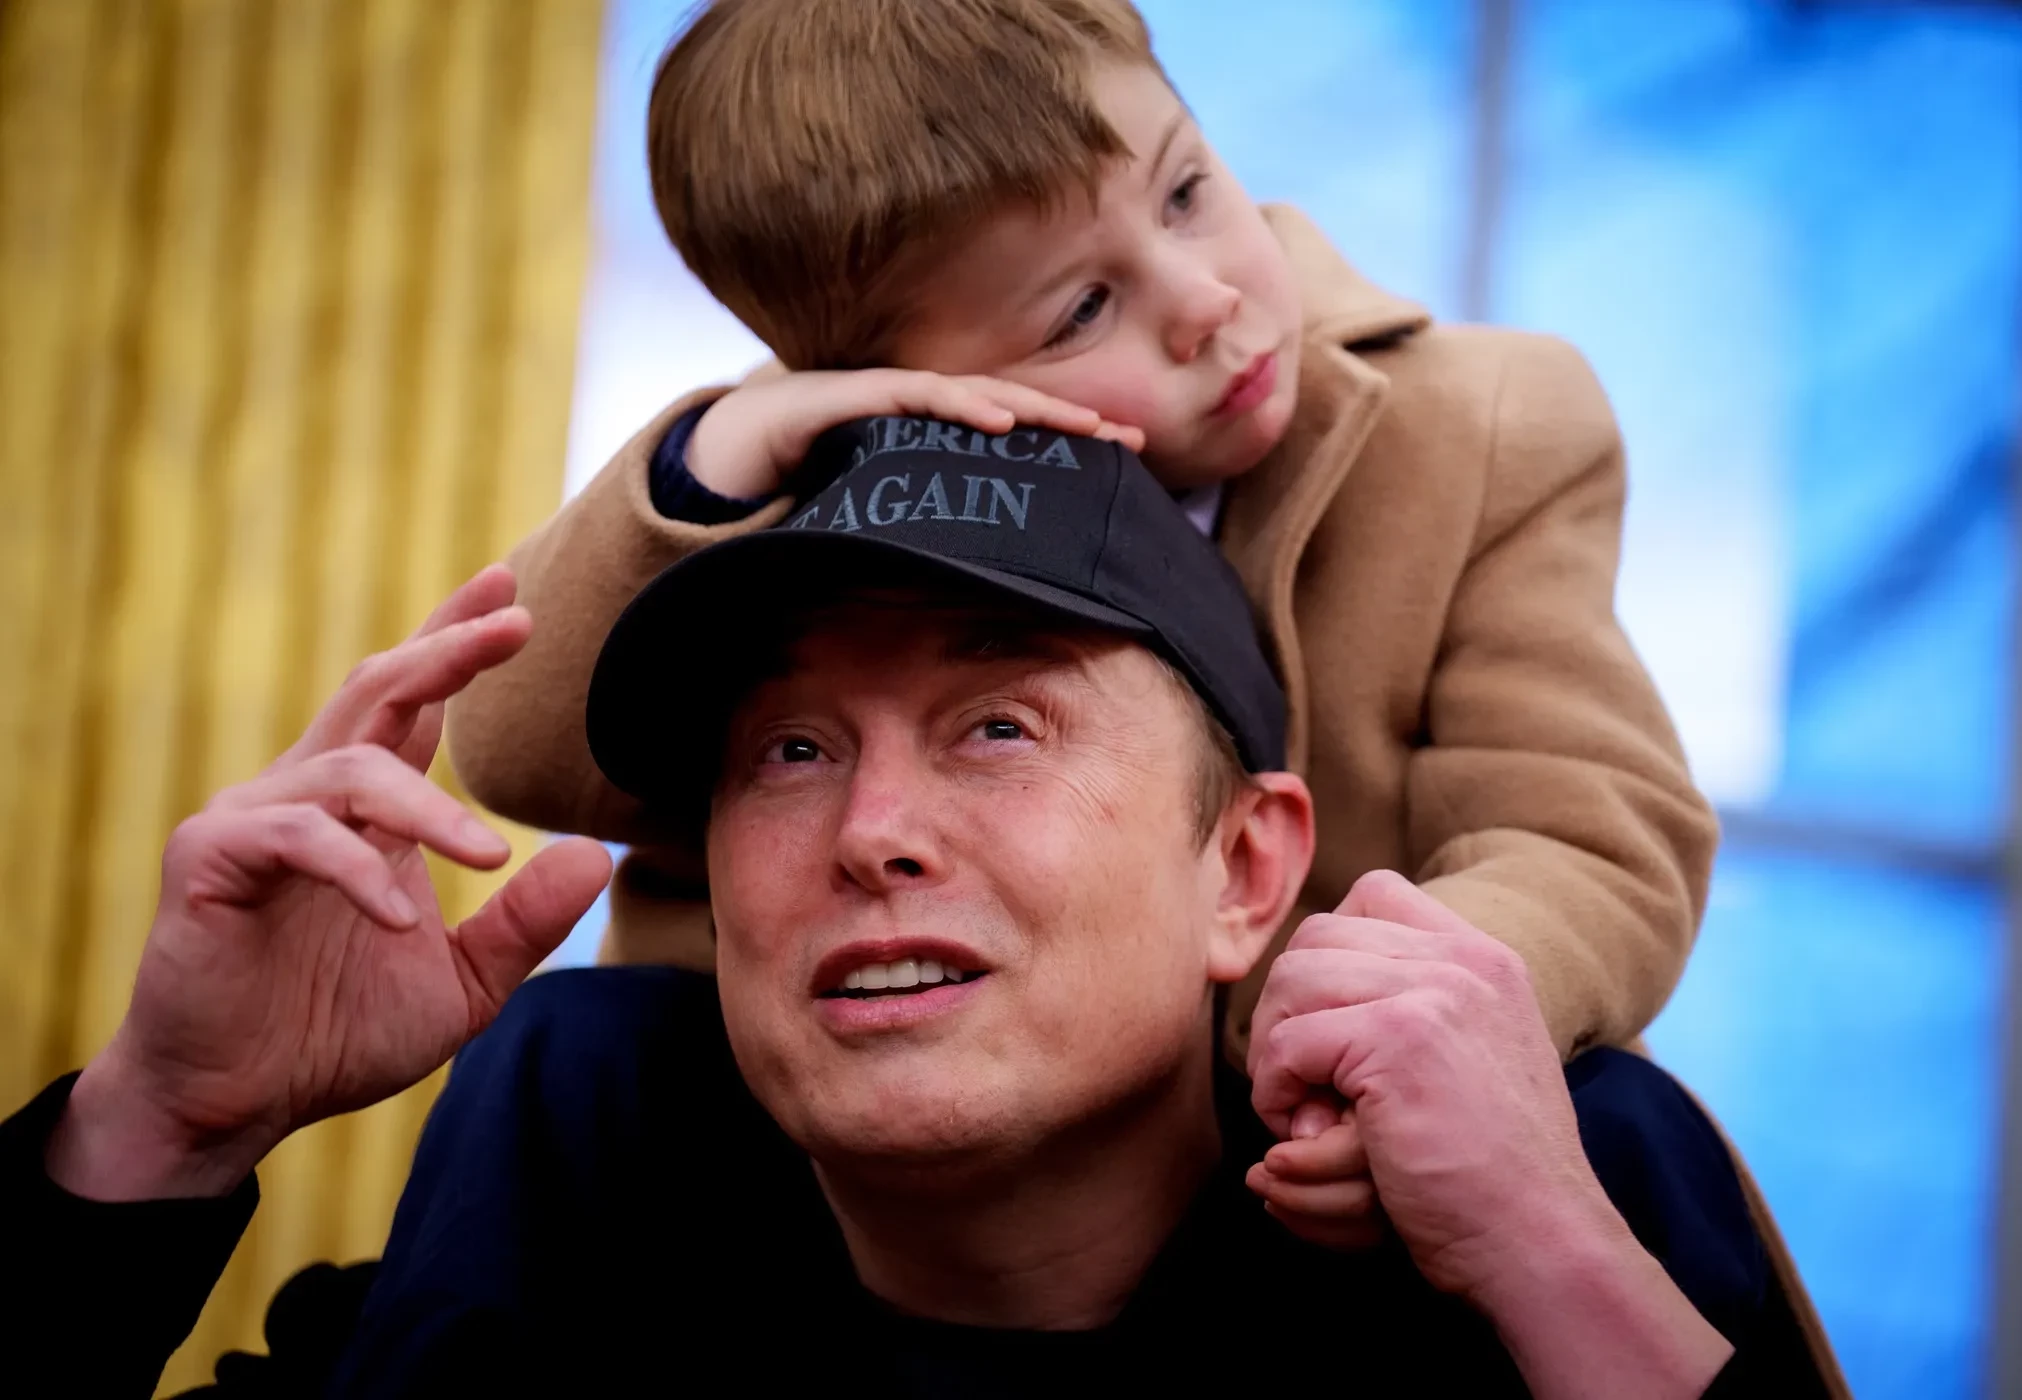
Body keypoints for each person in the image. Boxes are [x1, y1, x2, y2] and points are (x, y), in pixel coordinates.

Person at [5, 425, 1827, 1396]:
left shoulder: (1533, 1183)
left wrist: (1550, 1258)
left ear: (1246, 870)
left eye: (1000, 726)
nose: (871, 832)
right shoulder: (578, 1172)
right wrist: (163, 1123)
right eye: (790, 750)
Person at [445, 0, 1720, 1247]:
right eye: (1081, 311)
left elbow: (1585, 833)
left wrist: (1388, 1023)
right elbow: (516, 750)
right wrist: (718, 456)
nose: (1204, 297)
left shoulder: (1482, 425)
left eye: (1186, 191)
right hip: (843, 1128)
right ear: (905, 377)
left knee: (1610, 1128)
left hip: (1283, 1117)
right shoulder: (811, 458)